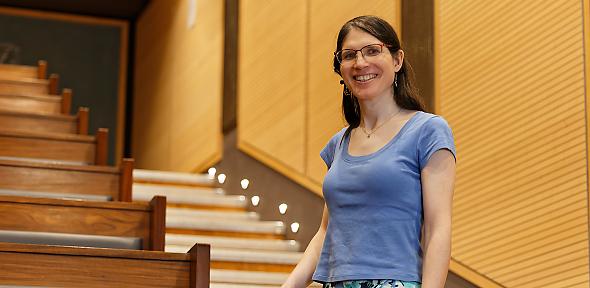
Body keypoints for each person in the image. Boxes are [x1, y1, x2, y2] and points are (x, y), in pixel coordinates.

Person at [281, 15, 456, 288]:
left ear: (397, 60)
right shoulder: (337, 144)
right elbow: (326, 231)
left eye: (373, 51)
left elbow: (438, 228)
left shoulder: (428, 130)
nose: (360, 63)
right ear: (340, 68)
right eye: (349, 55)